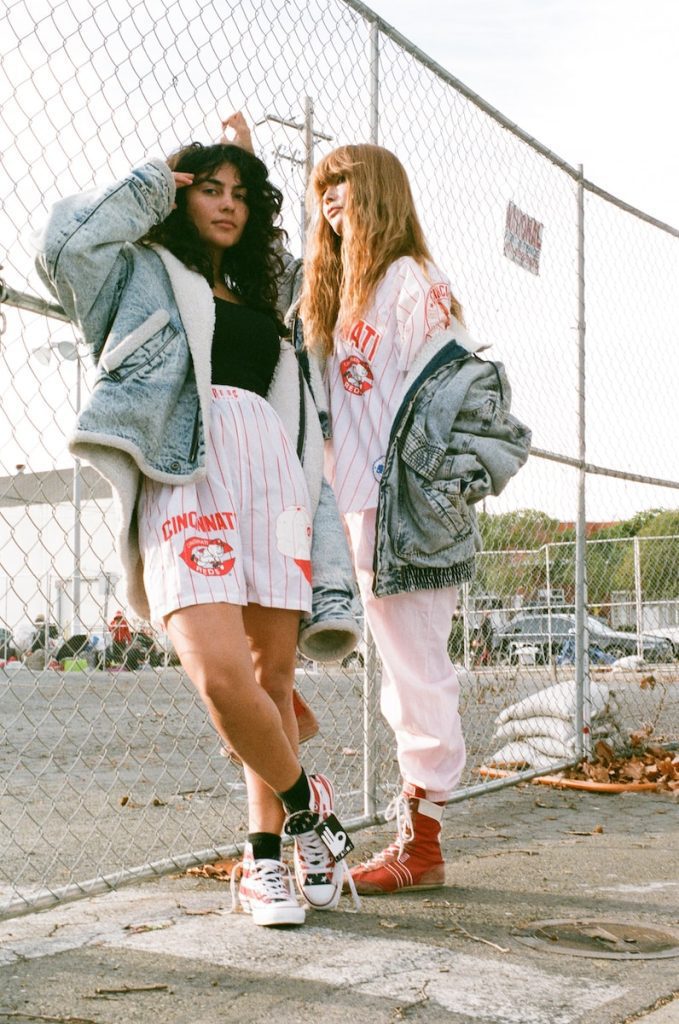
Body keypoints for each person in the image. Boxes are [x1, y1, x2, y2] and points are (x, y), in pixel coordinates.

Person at [34, 113, 359, 928]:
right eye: (209, 189)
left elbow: (294, 259)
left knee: (273, 679)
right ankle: (308, 805)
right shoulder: (138, 274)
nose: (227, 204)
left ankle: (264, 862)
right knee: (219, 674)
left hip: (275, 480)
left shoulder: (263, 290)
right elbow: (64, 246)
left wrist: (247, 160)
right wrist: (158, 178)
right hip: (188, 470)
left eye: (240, 194)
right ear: (181, 197)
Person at [300, 144, 531, 895]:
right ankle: (300, 813)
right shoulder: (335, 290)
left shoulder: (410, 278)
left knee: (416, 675)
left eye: (345, 182)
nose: (332, 196)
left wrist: (441, 483)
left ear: (380, 192)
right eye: (324, 185)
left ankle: (421, 845)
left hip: (402, 511)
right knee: (385, 668)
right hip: (345, 509)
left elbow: (461, 392)